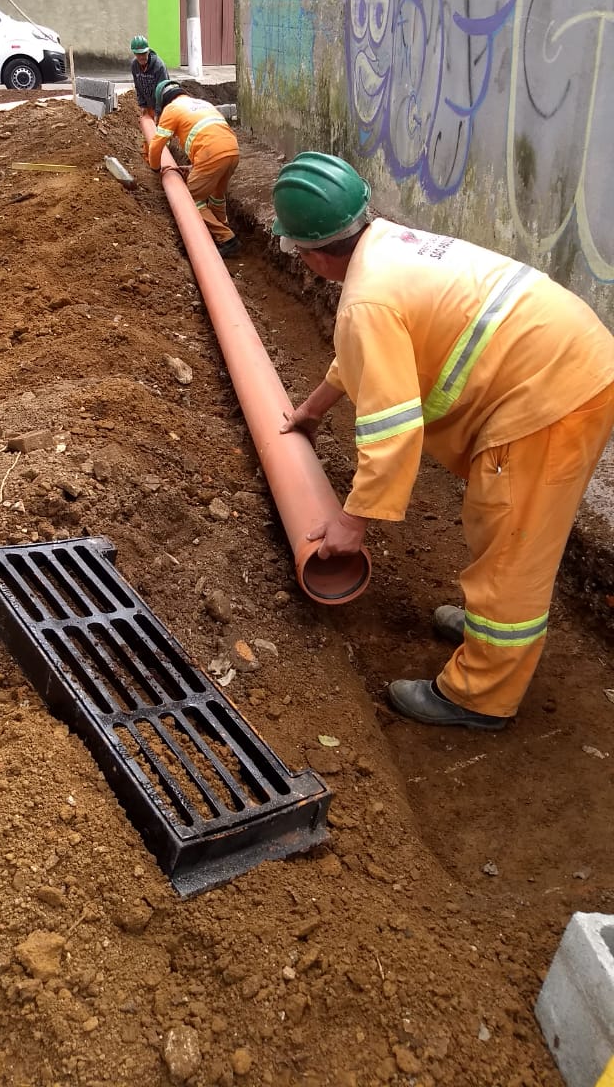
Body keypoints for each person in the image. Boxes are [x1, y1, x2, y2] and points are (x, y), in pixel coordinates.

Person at [274, 151, 614, 731]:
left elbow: (393, 429)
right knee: (499, 531)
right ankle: (488, 630)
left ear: (310, 253)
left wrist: (351, 522)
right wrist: (309, 412)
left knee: (512, 545)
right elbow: (366, 356)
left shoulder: (366, 301)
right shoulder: (389, 246)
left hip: (549, 399)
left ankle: (479, 694)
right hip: (564, 359)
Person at [147, 79, 240, 259]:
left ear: (163, 100)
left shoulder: (171, 109)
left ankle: (227, 239)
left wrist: (155, 168)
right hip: (232, 150)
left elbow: (156, 145)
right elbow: (209, 136)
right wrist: (193, 167)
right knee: (217, 195)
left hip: (211, 154)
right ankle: (222, 224)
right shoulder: (201, 103)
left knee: (190, 200)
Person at [130, 35, 168, 118]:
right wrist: (143, 105)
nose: (141, 57)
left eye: (143, 53)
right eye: (138, 54)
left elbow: (163, 90)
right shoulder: (134, 66)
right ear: (134, 53)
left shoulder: (159, 66)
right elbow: (138, 87)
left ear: (148, 51)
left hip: (163, 107)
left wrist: (158, 111)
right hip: (149, 105)